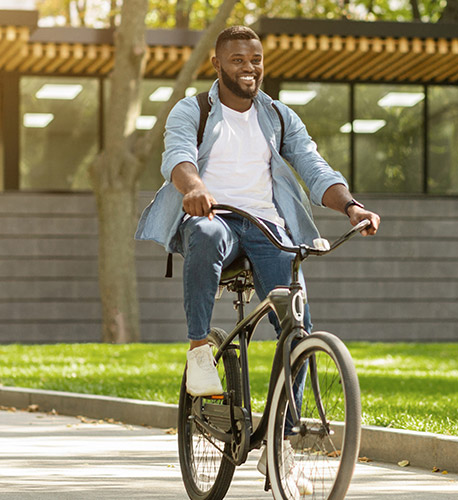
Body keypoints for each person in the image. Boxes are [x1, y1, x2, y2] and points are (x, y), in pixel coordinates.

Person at [136, 25, 380, 396]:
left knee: (297, 328)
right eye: (237, 60)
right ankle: (199, 351)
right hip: (214, 217)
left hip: (268, 226)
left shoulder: (279, 116)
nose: (249, 67)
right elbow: (178, 158)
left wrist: (350, 206)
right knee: (204, 232)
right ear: (217, 64)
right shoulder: (193, 109)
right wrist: (196, 188)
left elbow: (314, 168)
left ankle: (282, 436)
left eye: (255, 59)